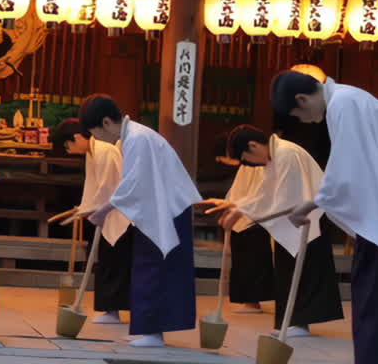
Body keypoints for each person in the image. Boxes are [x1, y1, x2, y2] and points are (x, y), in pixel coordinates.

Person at [275, 71, 378, 364]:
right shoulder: (348, 99)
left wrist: (312, 204)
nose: (304, 121)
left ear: (302, 99)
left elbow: (347, 172)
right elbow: (355, 168)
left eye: (298, 115)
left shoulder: (344, 104)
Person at [80, 95, 200, 348]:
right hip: (157, 209)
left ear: (106, 122)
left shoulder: (137, 138)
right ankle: (146, 328)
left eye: (96, 133)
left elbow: (133, 183)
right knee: (147, 267)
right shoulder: (133, 136)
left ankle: (153, 332)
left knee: (156, 269)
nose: (98, 140)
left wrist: (105, 209)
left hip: (166, 211)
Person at [203, 125, 343, 337]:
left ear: (252, 145)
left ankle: (299, 322)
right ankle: (292, 321)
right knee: (288, 270)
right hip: (292, 219)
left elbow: (284, 197)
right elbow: (266, 193)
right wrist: (234, 206)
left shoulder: (286, 154)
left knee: (304, 271)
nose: (249, 164)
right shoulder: (275, 155)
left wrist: (242, 210)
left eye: (246, 158)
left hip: (308, 218)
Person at [52, 117, 132, 324]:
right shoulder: (93, 152)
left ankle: (113, 311)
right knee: (106, 261)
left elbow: (109, 186)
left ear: (77, 137)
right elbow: (93, 185)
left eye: (67, 144)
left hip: (117, 213)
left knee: (114, 262)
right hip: (106, 211)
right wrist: (85, 207)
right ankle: (110, 310)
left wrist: (94, 207)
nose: (68, 149)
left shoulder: (105, 150)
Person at [216, 155, 275, 314]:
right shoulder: (245, 165)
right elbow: (236, 190)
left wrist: (240, 208)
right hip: (240, 215)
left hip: (253, 217)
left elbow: (260, 192)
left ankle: (253, 302)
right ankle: (249, 301)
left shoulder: (258, 163)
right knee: (242, 259)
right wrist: (228, 207)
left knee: (253, 259)